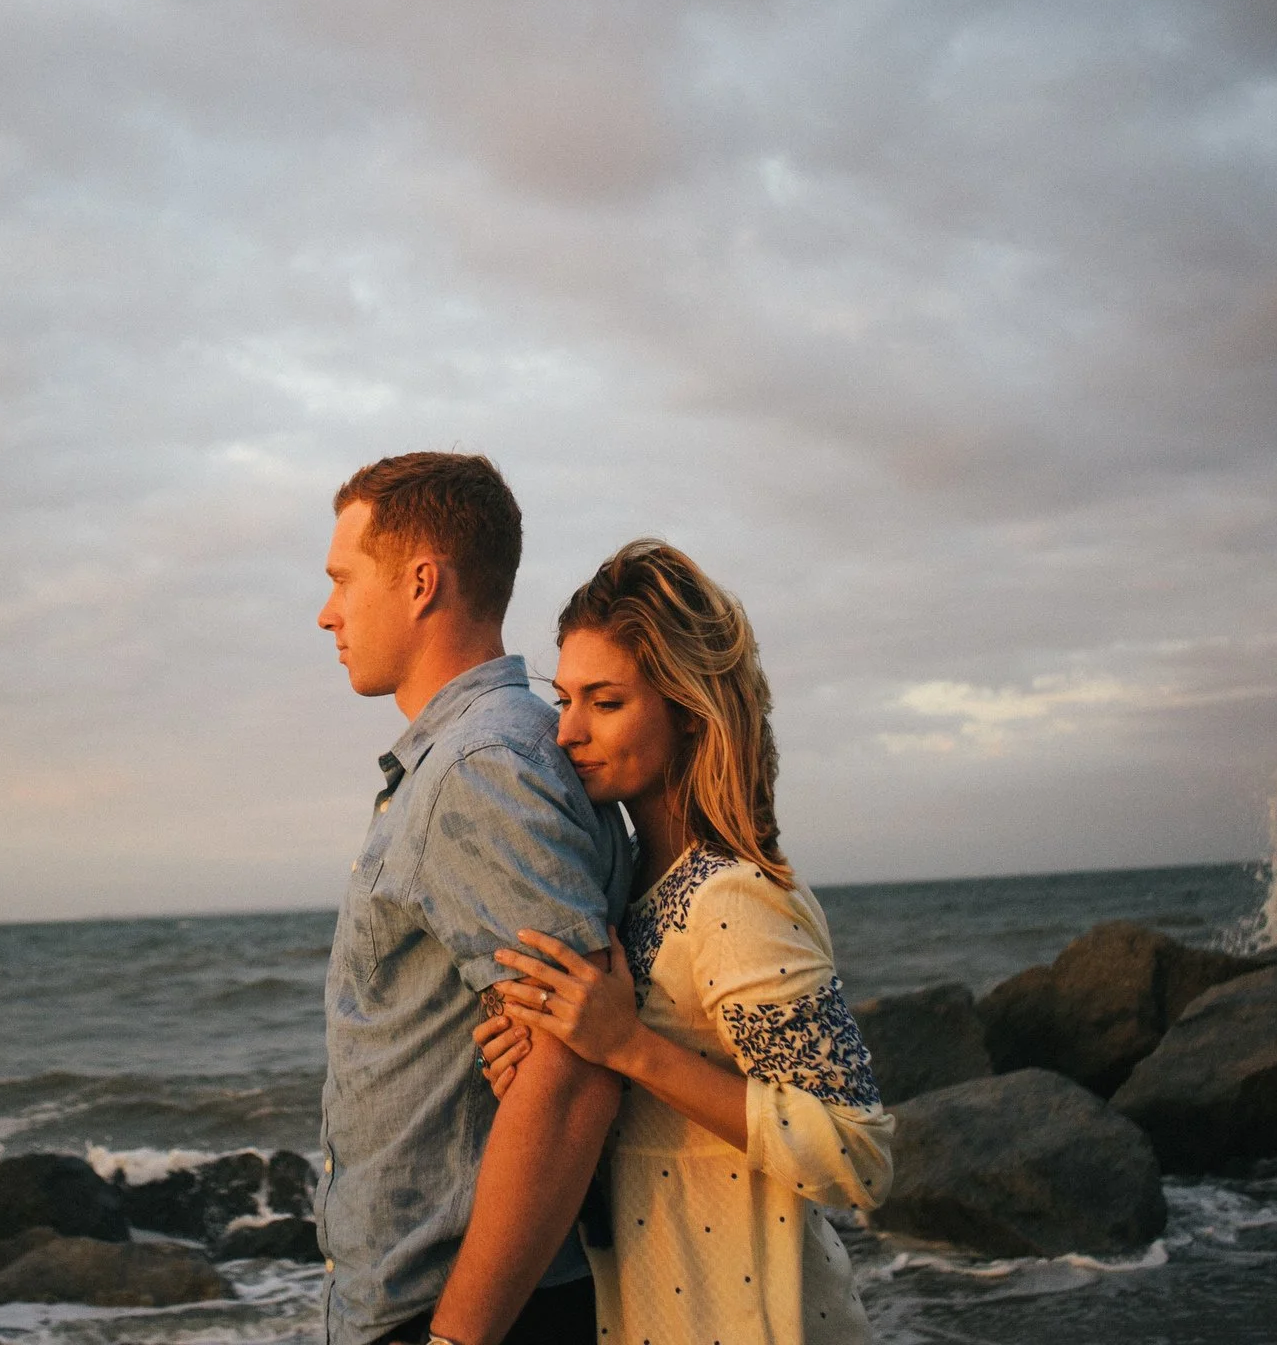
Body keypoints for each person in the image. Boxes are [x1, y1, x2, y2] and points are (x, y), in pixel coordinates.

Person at [475, 539, 891, 1345]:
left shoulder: (737, 896)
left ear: (688, 707)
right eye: (564, 701)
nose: (566, 734)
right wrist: (539, 1070)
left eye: (604, 701)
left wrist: (625, 1046)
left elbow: (855, 1155)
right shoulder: (628, 898)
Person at [314, 453, 634, 1345]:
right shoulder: (512, 742)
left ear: (421, 584)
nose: (327, 612)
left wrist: (456, 1340)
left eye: (343, 579)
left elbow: (568, 1073)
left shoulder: (478, 769)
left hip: (465, 1311)